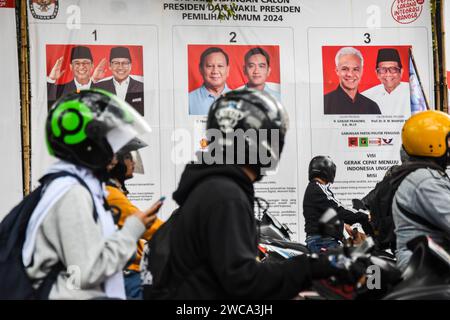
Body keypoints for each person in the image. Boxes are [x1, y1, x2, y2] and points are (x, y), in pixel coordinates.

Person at [156, 89, 360, 299]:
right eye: (273, 135)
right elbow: (245, 282)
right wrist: (318, 265)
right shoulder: (225, 195)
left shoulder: (211, 187)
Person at [24, 89, 162, 299]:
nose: (115, 155)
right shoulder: (73, 193)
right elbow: (88, 272)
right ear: (89, 145)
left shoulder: (68, 186)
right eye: (109, 143)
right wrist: (133, 229)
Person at [106, 138, 164, 299]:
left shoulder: (114, 191)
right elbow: (150, 226)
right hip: (128, 273)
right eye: (127, 157)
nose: (132, 161)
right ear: (115, 161)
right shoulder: (112, 194)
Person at [393, 110, 450, 271]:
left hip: (433, 261)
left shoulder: (427, 176)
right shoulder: (424, 181)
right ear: (433, 143)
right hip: (424, 268)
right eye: (448, 140)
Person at [303, 156, 371, 253]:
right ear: (328, 170)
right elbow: (339, 210)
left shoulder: (315, 188)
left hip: (321, 241)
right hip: (323, 242)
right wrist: (365, 216)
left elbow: (327, 216)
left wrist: (344, 226)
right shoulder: (318, 188)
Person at [324, 47, 381, 115]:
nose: (350, 74)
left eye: (355, 69)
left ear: (361, 71)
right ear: (337, 71)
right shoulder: (324, 103)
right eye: (345, 69)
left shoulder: (372, 107)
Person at [93, 46, 144, 115]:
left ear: (130, 66)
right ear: (110, 66)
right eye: (116, 63)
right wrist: (94, 79)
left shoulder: (141, 87)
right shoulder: (99, 87)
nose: (120, 67)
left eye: (125, 63)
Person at [361, 48, 410, 116]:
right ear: (377, 73)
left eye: (393, 69)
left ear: (401, 72)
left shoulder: (413, 93)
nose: (388, 74)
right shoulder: (367, 96)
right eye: (383, 70)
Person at [189, 47, 231, 115]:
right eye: (209, 66)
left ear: (228, 70)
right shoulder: (188, 100)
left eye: (220, 66)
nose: (215, 71)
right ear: (200, 69)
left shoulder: (240, 100)